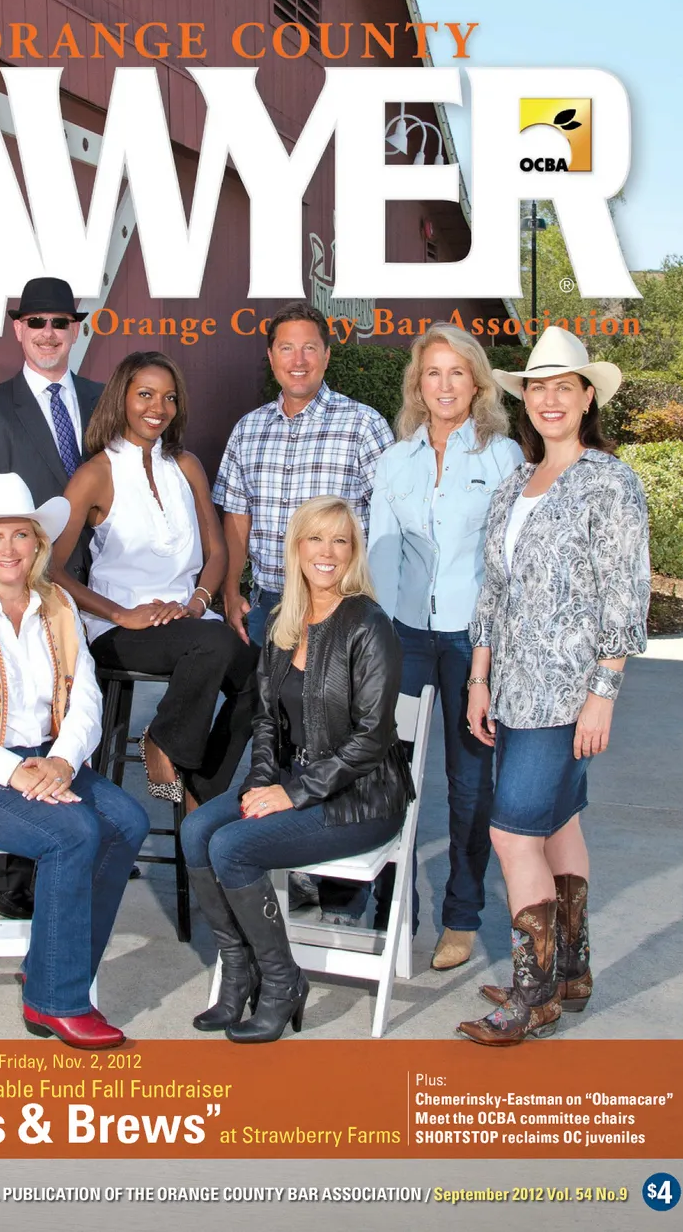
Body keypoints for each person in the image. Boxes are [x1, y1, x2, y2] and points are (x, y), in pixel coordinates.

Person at [0, 473, 148, 1049]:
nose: (8, 549)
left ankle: (49, 964)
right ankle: (54, 1001)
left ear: (38, 544)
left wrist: (61, 762)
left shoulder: (57, 605)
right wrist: (13, 770)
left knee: (129, 821)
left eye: (20, 535)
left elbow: (85, 698)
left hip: (44, 757)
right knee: (73, 833)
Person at [458, 326, 650, 1046]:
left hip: (567, 692)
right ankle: (569, 972)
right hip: (512, 690)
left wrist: (604, 692)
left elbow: (625, 598)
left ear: (587, 396)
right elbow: (493, 592)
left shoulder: (610, 482)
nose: (549, 400)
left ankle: (531, 994)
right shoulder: (515, 483)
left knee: (512, 833)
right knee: (560, 822)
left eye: (563, 387)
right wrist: (479, 678)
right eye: (537, 388)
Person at [180, 497, 414, 1043]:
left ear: (352, 553)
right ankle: (239, 969)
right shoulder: (285, 620)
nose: (327, 552)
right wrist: (264, 781)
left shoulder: (370, 625)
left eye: (340, 541)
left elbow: (371, 739)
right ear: (296, 548)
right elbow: (265, 719)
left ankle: (283, 982)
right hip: (293, 780)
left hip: (362, 798)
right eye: (315, 539)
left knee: (232, 847)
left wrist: (293, 794)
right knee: (196, 830)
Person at [212, 300, 395, 924]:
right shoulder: (249, 429)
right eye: (286, 348)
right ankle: (285, 863)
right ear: (270, 357)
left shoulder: (362, 425)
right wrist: (232, 587)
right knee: (280, 727)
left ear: (326, 354)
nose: (298, 359)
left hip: (339, 611)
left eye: (309, 347)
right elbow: (236, 516)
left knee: (336, 732)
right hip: (272, 604)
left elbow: (384, 520)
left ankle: (343, 895)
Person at [368, 324, 523, 969]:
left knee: (469, 785)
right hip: (405, 635)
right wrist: (375, 641)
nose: (445, 384)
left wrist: (492, 648)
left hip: (471, 641)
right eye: (433, 372)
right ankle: (390, 907)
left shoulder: (503, 458)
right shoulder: (395, 460)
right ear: (418, 384)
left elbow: (508, 562)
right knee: (385, 770)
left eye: (457, 372)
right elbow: (381, 556)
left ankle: (460, 916)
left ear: (477, 382)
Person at [0, 276, 104, 920]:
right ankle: (14, 876)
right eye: (35, 322)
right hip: (20, 592)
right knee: (15, 714)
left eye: (60, 322)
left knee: (82, 714)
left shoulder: (105, 401)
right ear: (18, 329)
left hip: (101, 593)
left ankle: (81, 849)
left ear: (76, 329)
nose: (48, 333)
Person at [52, 351, 258, 808]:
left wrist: (198, 603)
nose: (158, 408)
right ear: (121, 398)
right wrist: (121, 614)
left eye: (169, 398)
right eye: (145, 394)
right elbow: (50, 568)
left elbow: (217, 551)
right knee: (213, 644)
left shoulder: (186, 465)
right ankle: (164, 742)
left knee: (263, 676)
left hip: (188, 620)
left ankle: (198, 789)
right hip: (120, 631)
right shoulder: (96, 473)